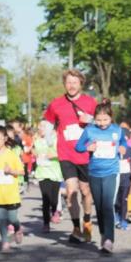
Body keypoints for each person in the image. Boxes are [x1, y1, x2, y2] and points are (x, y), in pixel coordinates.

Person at [43, 69, 97, 243]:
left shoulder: (90, 102)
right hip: (66, 153)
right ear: (64, 84)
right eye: (68, 82)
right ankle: (75, 228)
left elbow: (102, 123)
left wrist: (90, 120)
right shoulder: (56, 103)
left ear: (81, 83)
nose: (71, 86)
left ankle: (87, 221)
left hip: (86, 153)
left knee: (86, 191)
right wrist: (49, 141)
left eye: (75, 82)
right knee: (71, 191)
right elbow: (48, 123)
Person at [75, 102, 124, 254]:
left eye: (105, 120)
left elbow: (123, 143)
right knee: (100, 207)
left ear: (111, 118)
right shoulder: (90, 130)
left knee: (108, 205)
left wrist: (123, 147)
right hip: (94, 172)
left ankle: (109, 239)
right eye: (99, 120)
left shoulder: (117, 130)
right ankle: (104, 233)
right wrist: (87, 147)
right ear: (94, 119)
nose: (102, 123)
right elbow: (78, 146)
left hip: (111, 171)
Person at [33, 120, 62, 233]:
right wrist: (35, 153)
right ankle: (46, 224)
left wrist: (54, 155)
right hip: (42, 172)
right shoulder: (37, 140)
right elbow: (34, 151)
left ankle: (55, 210)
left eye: (42, 126)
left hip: (55, 172)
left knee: (54, 200)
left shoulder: (56, 140)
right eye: (39, 126)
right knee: (46, 198)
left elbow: (64, 153)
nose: (40, 128)